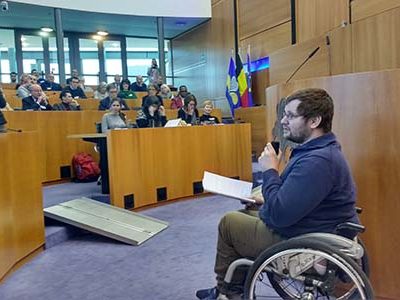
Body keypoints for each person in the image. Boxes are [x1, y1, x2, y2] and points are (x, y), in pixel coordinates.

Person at [195, 88, 360, 300]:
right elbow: (295, 197)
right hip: (311, 226)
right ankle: (229, 287)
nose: (283, 121)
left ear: (314, 121)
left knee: (229, 223)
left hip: (305, 237)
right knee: (245, 214)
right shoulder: (320, 152)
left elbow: (279, 215)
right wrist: (267, 198)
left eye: (290, 116)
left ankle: (227, 291)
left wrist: (270, 170)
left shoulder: (317, 161)